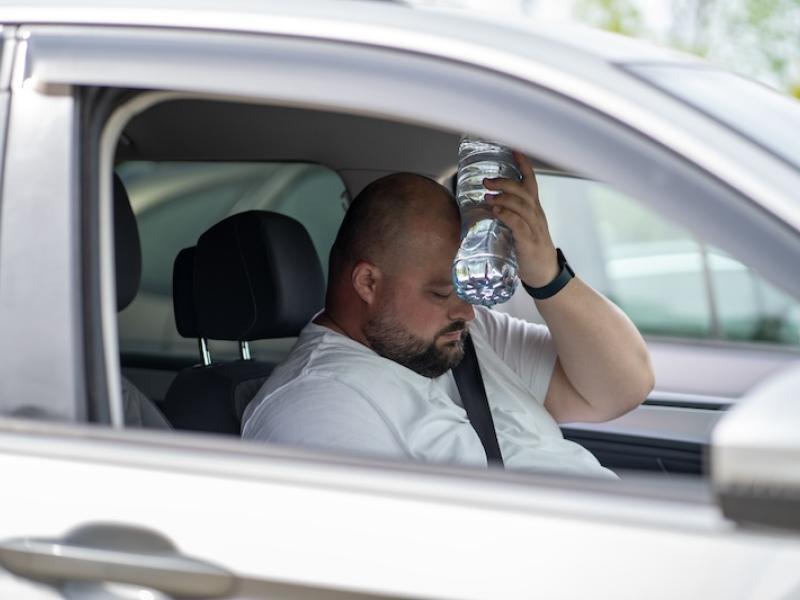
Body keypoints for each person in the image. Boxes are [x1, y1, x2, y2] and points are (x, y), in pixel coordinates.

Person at [242, 153, 654, 478]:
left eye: (467, 286)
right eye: (442, 292)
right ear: (367, 283)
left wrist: (546, 275)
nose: (468, 311)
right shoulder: (317, 405)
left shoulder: (465, 334)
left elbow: (621, 387)